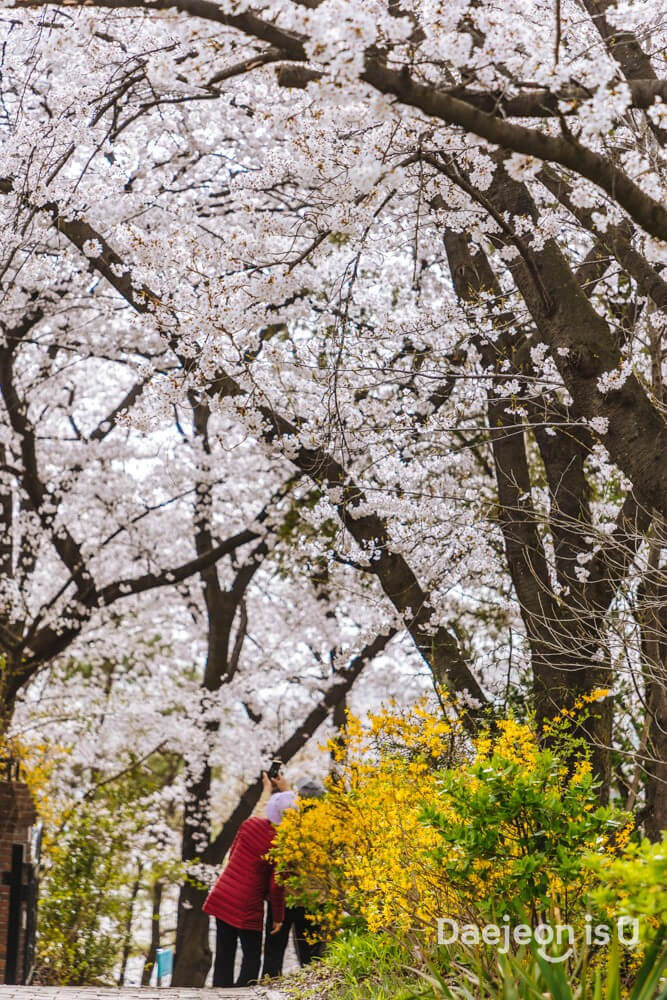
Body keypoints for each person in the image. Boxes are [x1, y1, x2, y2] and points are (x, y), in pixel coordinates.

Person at [203, 775, 296, 987]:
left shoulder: (249, 824)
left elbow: (233, 852)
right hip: (248, 903)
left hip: (223, 894)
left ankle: (220, 992)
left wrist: (268, 789)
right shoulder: (282, 844)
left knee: (224, 953)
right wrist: (279, 916)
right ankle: (241, 994)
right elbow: (276, 885)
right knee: (252, 957)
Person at [261, 775, 326, 979]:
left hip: (284, 896)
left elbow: (270, 813)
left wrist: (280, 789)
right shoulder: (327, 828)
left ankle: (268, 984)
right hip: (315, 899)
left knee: (274, 949)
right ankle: (313, 989)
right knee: (312, 953)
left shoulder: (289, 825)